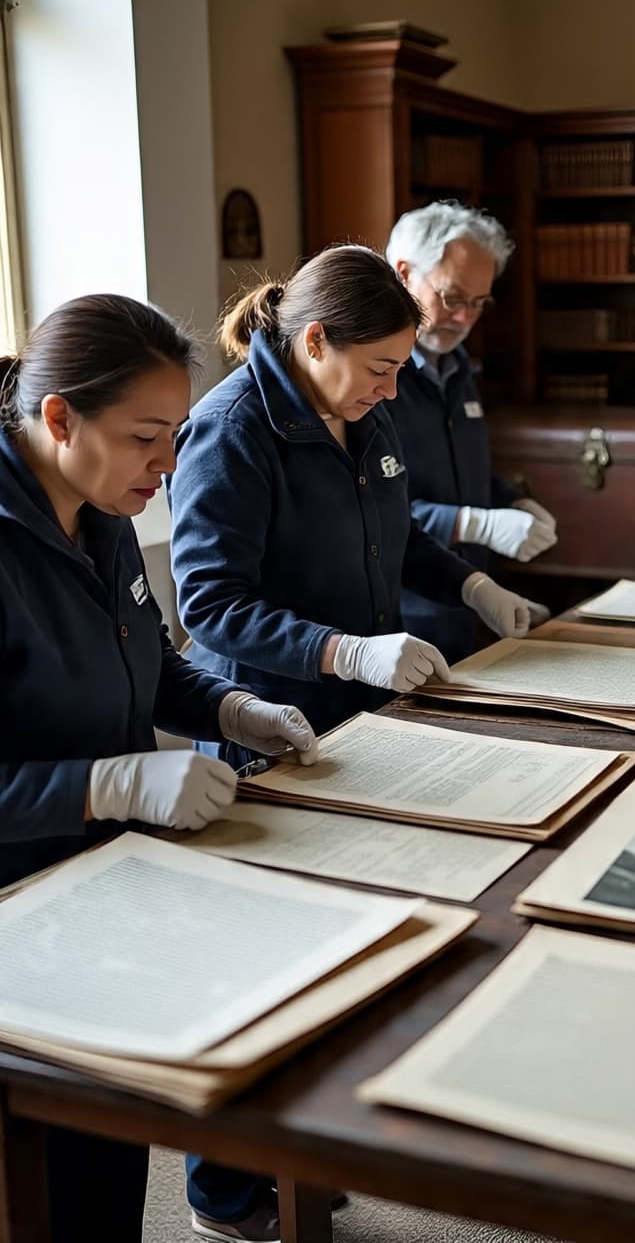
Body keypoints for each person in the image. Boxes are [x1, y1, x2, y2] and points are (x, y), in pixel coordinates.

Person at [167, 244, 545, 1241]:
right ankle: (223, 1189)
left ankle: (297, 1155)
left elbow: (399, 530)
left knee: (346, 951)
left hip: (361, 718)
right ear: (314, 339)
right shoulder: (229, 430)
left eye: (398, 370)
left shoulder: (363, 409)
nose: (392, 387)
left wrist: (467, 580)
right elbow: (207, 603)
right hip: (274, 722)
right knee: (262, 963)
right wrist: (343, 649)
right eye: (380, 367)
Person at [0, 295, 316, 1243]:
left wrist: (224, 705)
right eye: (148, 437)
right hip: (18, 922)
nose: (169, 463)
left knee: (109, 1164)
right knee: (48, 1186)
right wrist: (112, 781)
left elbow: (146, 657)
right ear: (60, 418)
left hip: (104, 887)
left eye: (176, 433)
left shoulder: (99, 508)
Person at [385, 201, 557, 660]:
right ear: (403, 274)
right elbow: (373, 512)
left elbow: (464, 477)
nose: (465, 319)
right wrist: (474, 524)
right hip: (403, 619)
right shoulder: (375, 379)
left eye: (479, 304)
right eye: (453, 297)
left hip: (464, 610)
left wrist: (510, 503)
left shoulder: (459, 367)